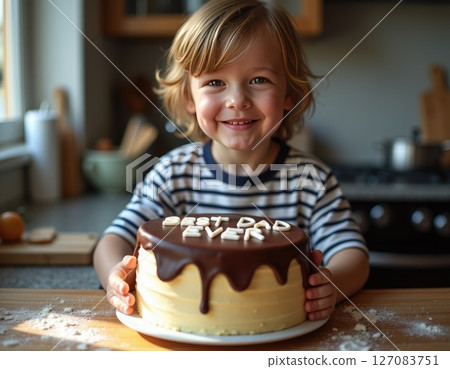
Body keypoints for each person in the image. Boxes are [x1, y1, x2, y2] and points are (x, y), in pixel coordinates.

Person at [93, 0, 369, 322]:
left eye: (259, 80)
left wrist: (332, 284)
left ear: (288, 95)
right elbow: (114, 238)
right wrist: (116, 275)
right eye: (215, 82)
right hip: (187, 330)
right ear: (189, 98)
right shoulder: (173, 174)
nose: (237, 100)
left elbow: (352, 253)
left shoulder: (310, 179)